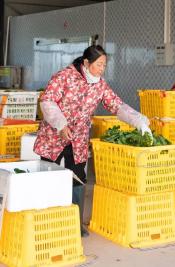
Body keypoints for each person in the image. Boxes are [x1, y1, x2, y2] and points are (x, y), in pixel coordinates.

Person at [34, 45, 151, 237]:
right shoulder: (64, 76)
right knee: (47, 176)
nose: (102, 69)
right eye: (99, 64)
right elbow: (47, 101)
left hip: (78, 138)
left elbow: (116, 105)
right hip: (53, 136)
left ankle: (75, 224)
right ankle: (44, 222)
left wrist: (138, 121)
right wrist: (61, 125)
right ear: (86, 63)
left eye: (104, 65)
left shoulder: (100, 84)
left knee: (78, 178)